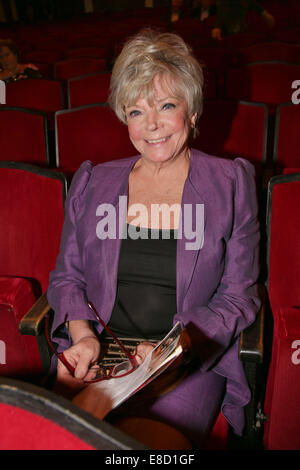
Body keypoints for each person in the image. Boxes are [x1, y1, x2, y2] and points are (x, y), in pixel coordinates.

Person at [47, 29, 261, 448]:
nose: (153, 126)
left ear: (192, 112)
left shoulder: (230, 182)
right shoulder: (94, 182)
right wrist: (83, 336)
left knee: (138, 446)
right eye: (136, 112)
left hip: (186, 362)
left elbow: (239, 296)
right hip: (103, 354)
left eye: (167, 106)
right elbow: (67, 277)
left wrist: (172, 350)